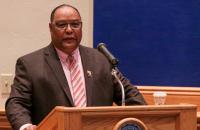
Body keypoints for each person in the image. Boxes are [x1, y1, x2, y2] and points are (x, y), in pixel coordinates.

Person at [5, 4, 146, 130]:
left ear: (81, 26)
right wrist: (25, 126)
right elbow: (16, 103)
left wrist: (149, 116)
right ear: (50, 28)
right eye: (61, 25)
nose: (69, 30)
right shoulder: (30, 64)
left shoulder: (100, 59)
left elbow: (130, 96)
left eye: (75, 24)